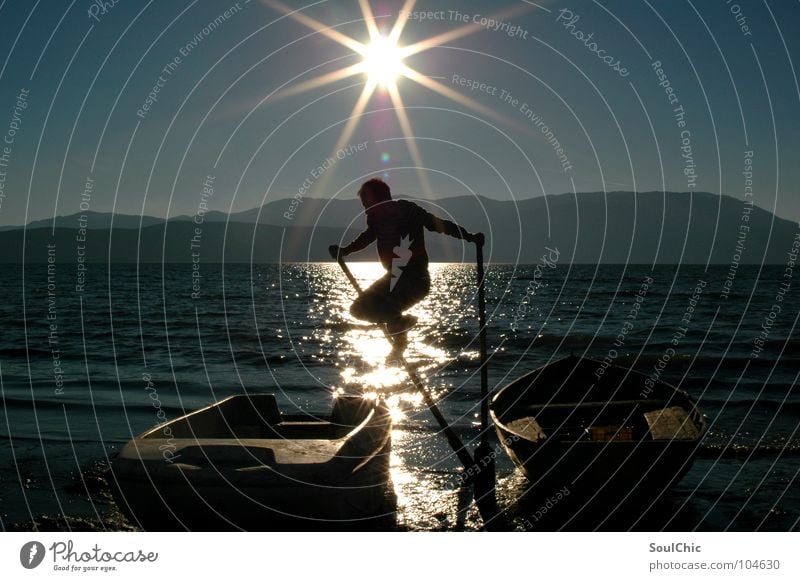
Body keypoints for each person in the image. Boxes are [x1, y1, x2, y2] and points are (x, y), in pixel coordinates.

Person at [329, 178, 483, 361]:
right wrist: (344, 251)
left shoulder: (408, 210)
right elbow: (367, 237)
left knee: (387, 309)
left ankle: (400, 335)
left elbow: (437, 224)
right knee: (358, 309)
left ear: (381, 199)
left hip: (415, 280)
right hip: (392, 279)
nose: (366, 210)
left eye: (368, 204)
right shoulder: (375, 219)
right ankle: (401, 327)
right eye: (365, 206)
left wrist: (469, 237)